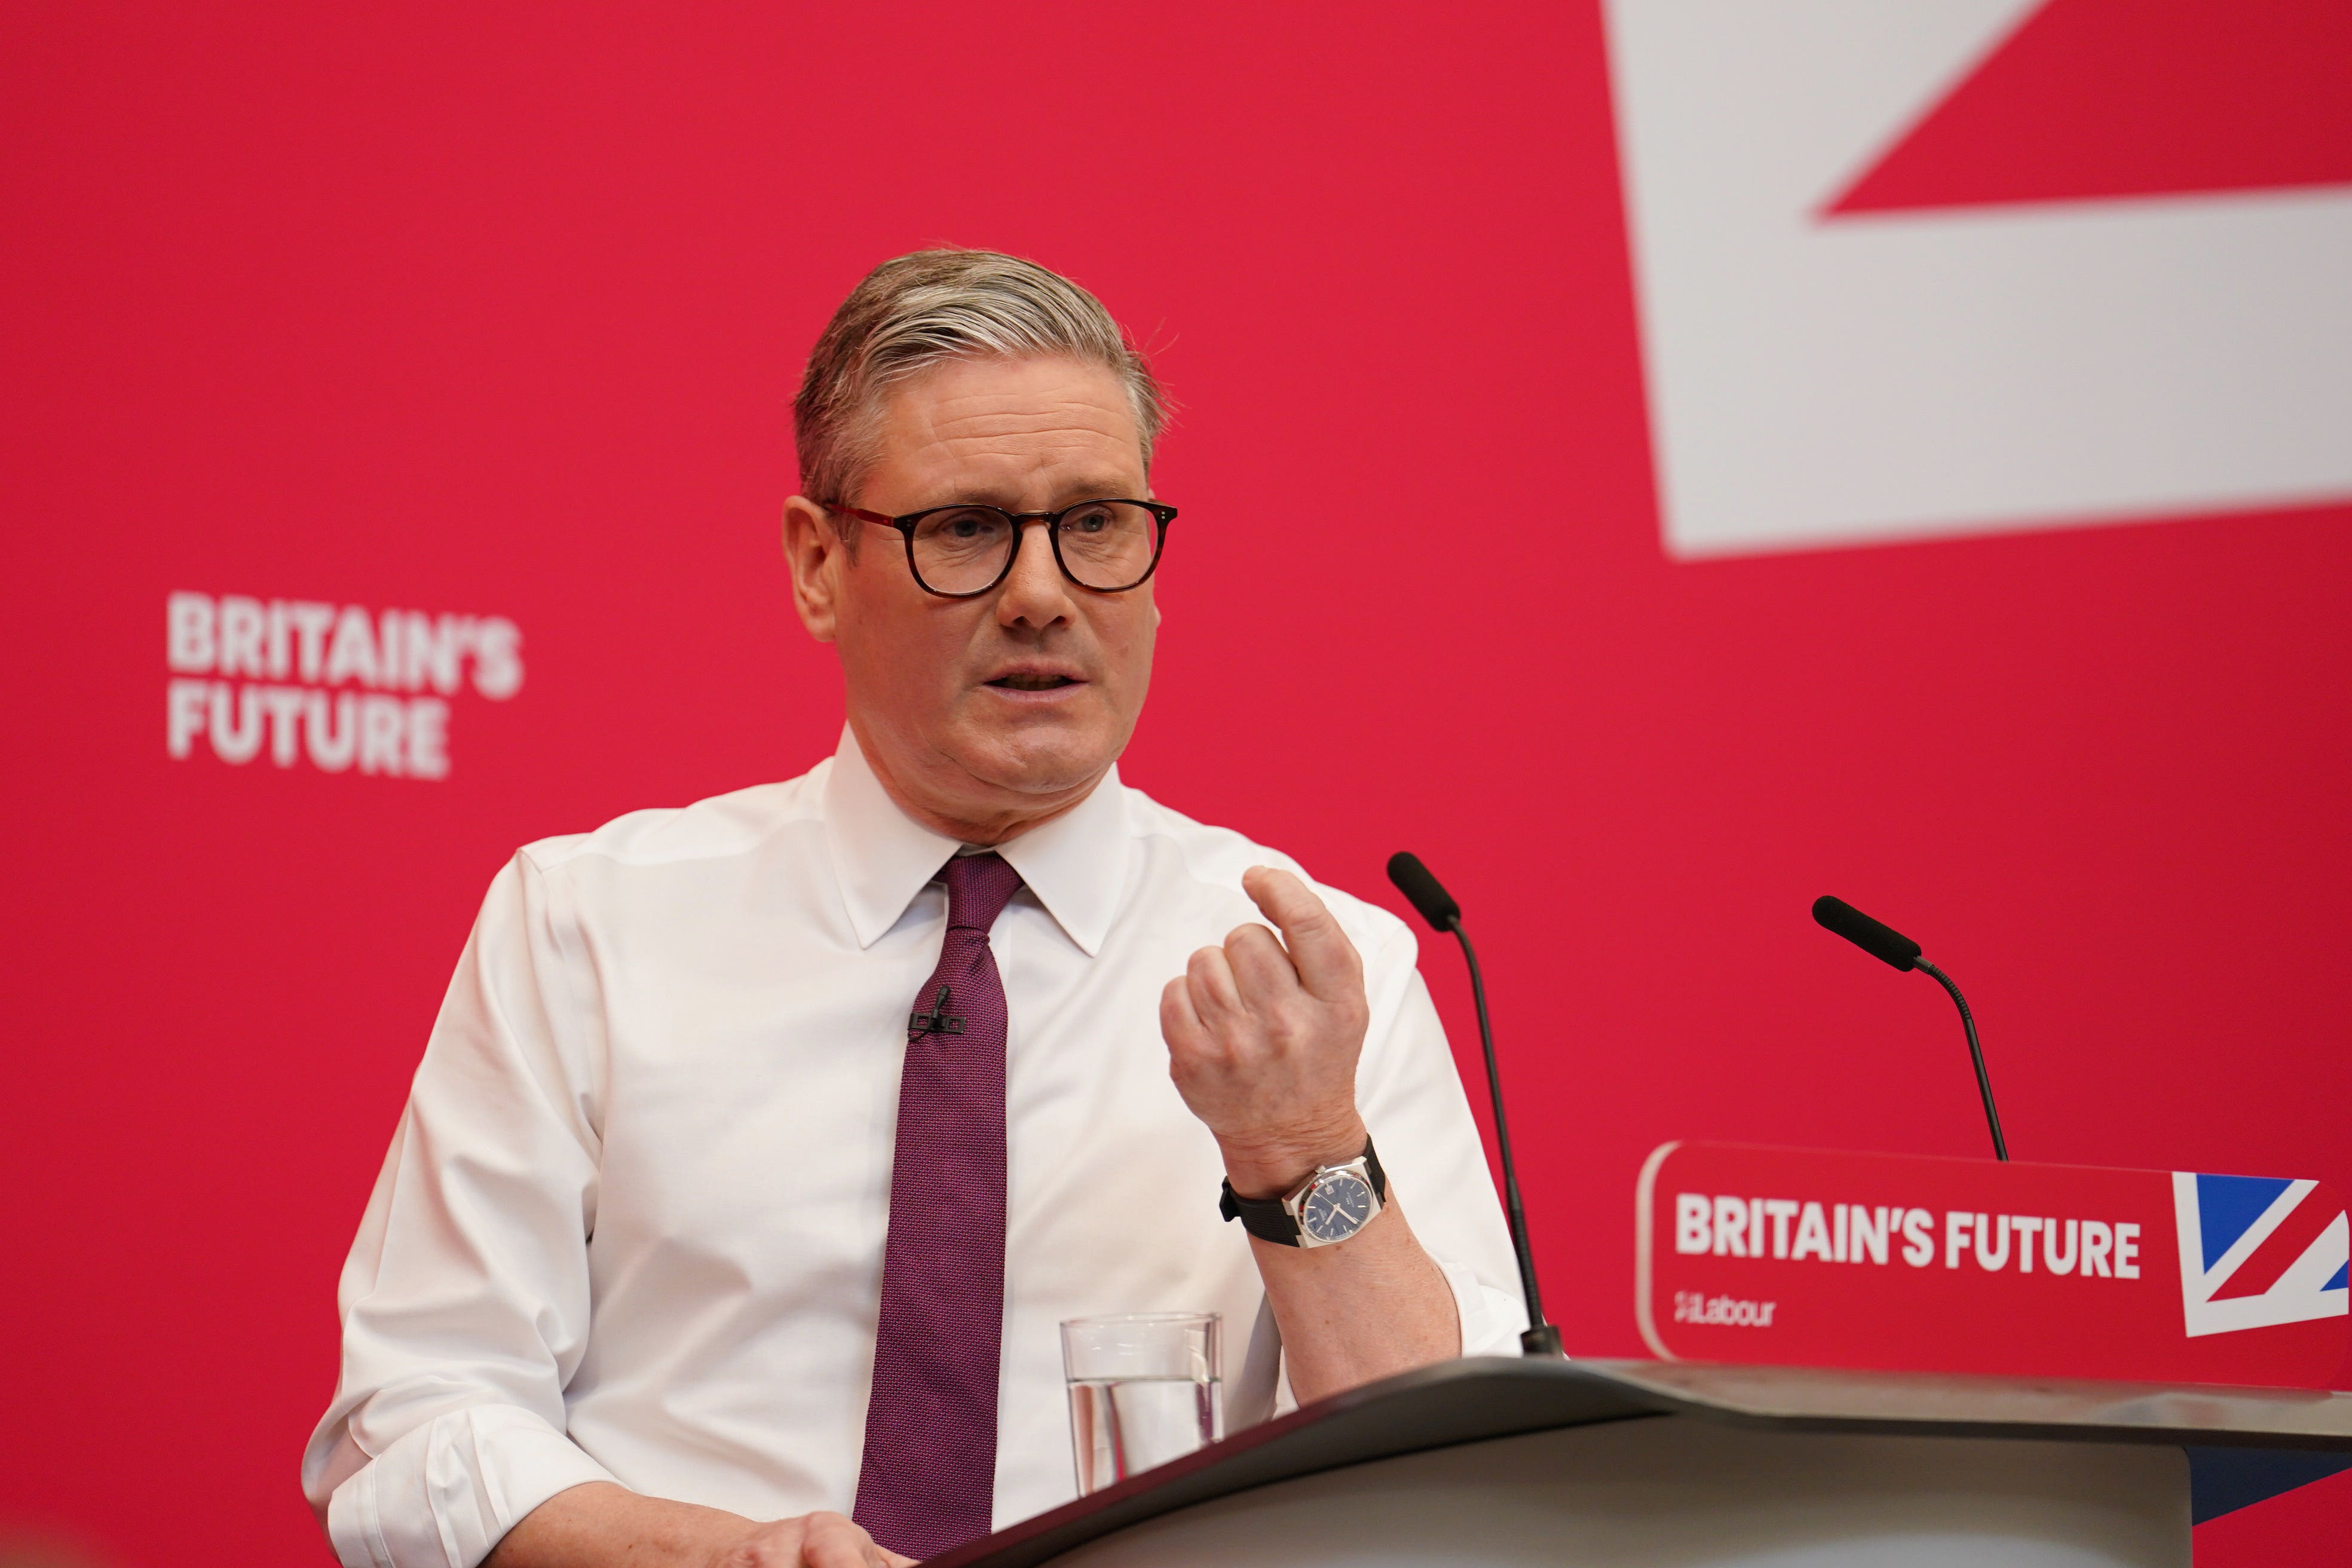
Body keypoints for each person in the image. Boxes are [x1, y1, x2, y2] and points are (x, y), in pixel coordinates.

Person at [302, 248, 1524, 1568]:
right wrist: (713, 1559)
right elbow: (415, 1426)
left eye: (1098, 523)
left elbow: (1449, 1498)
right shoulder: (587, 927)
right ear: (818, 564)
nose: (1045, 593)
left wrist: (1301, 1142)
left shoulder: (1316, 984)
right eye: (967, 530)